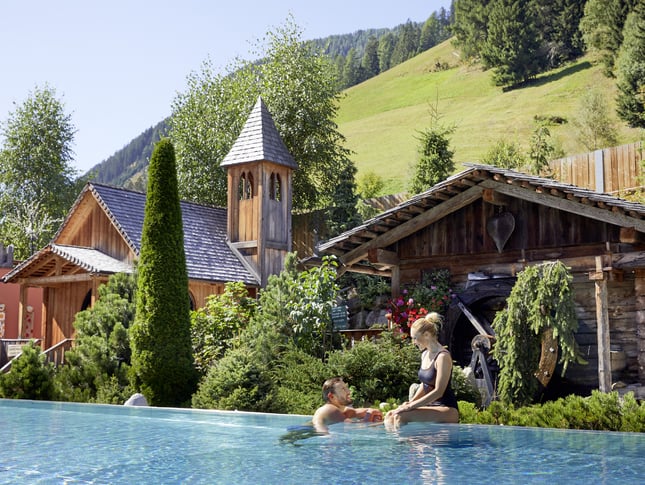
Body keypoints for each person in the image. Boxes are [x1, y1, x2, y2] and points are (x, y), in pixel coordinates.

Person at [384, 312, 459, 427]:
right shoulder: (424, 355)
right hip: (429, 406)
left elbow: (439, 391)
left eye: (415, 338)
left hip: (446, 408)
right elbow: (425, 385)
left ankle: (402, 444)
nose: (413, 342)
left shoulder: (442, 357)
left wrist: (411, 406)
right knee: (390, 415)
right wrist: (410, 402)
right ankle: (400, 444)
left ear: (427, 335)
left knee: (400, 416)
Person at [311, 377, 383, 432]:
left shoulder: (343, 410)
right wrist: (386, 422)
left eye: (346, 388)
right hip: (307, 433)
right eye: (343, 389)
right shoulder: (329, 409)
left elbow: (362, 412)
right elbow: (353, 428)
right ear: (332, 396)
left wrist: (372, 413)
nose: (348, 391)